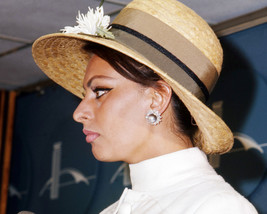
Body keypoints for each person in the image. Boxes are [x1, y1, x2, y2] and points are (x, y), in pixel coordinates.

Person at [32, 0, 258, 213]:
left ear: (156, 99)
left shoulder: (218, 207)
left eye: (100, 91)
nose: (79, 113)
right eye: (84, 95)